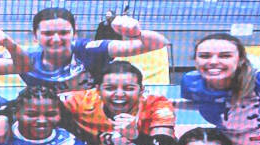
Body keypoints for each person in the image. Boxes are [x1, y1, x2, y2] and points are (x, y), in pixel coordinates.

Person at [59, 62, 177, 145]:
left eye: (129, 88)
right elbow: (45, 100)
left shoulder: (157, 104)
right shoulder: (80, 102)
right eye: (110, 88)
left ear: (141, 90)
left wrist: (135, 136)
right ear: (98, 89)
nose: (119, 94)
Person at [18, 9, 168, 95]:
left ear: (74, 34)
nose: (56, 39)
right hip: (49, 118)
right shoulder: (22, 58)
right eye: (48, 33)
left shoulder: (89, 50)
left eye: (63, 32)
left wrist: (137, 33)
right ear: (35, 36)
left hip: (94, 117)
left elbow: (159, 43)